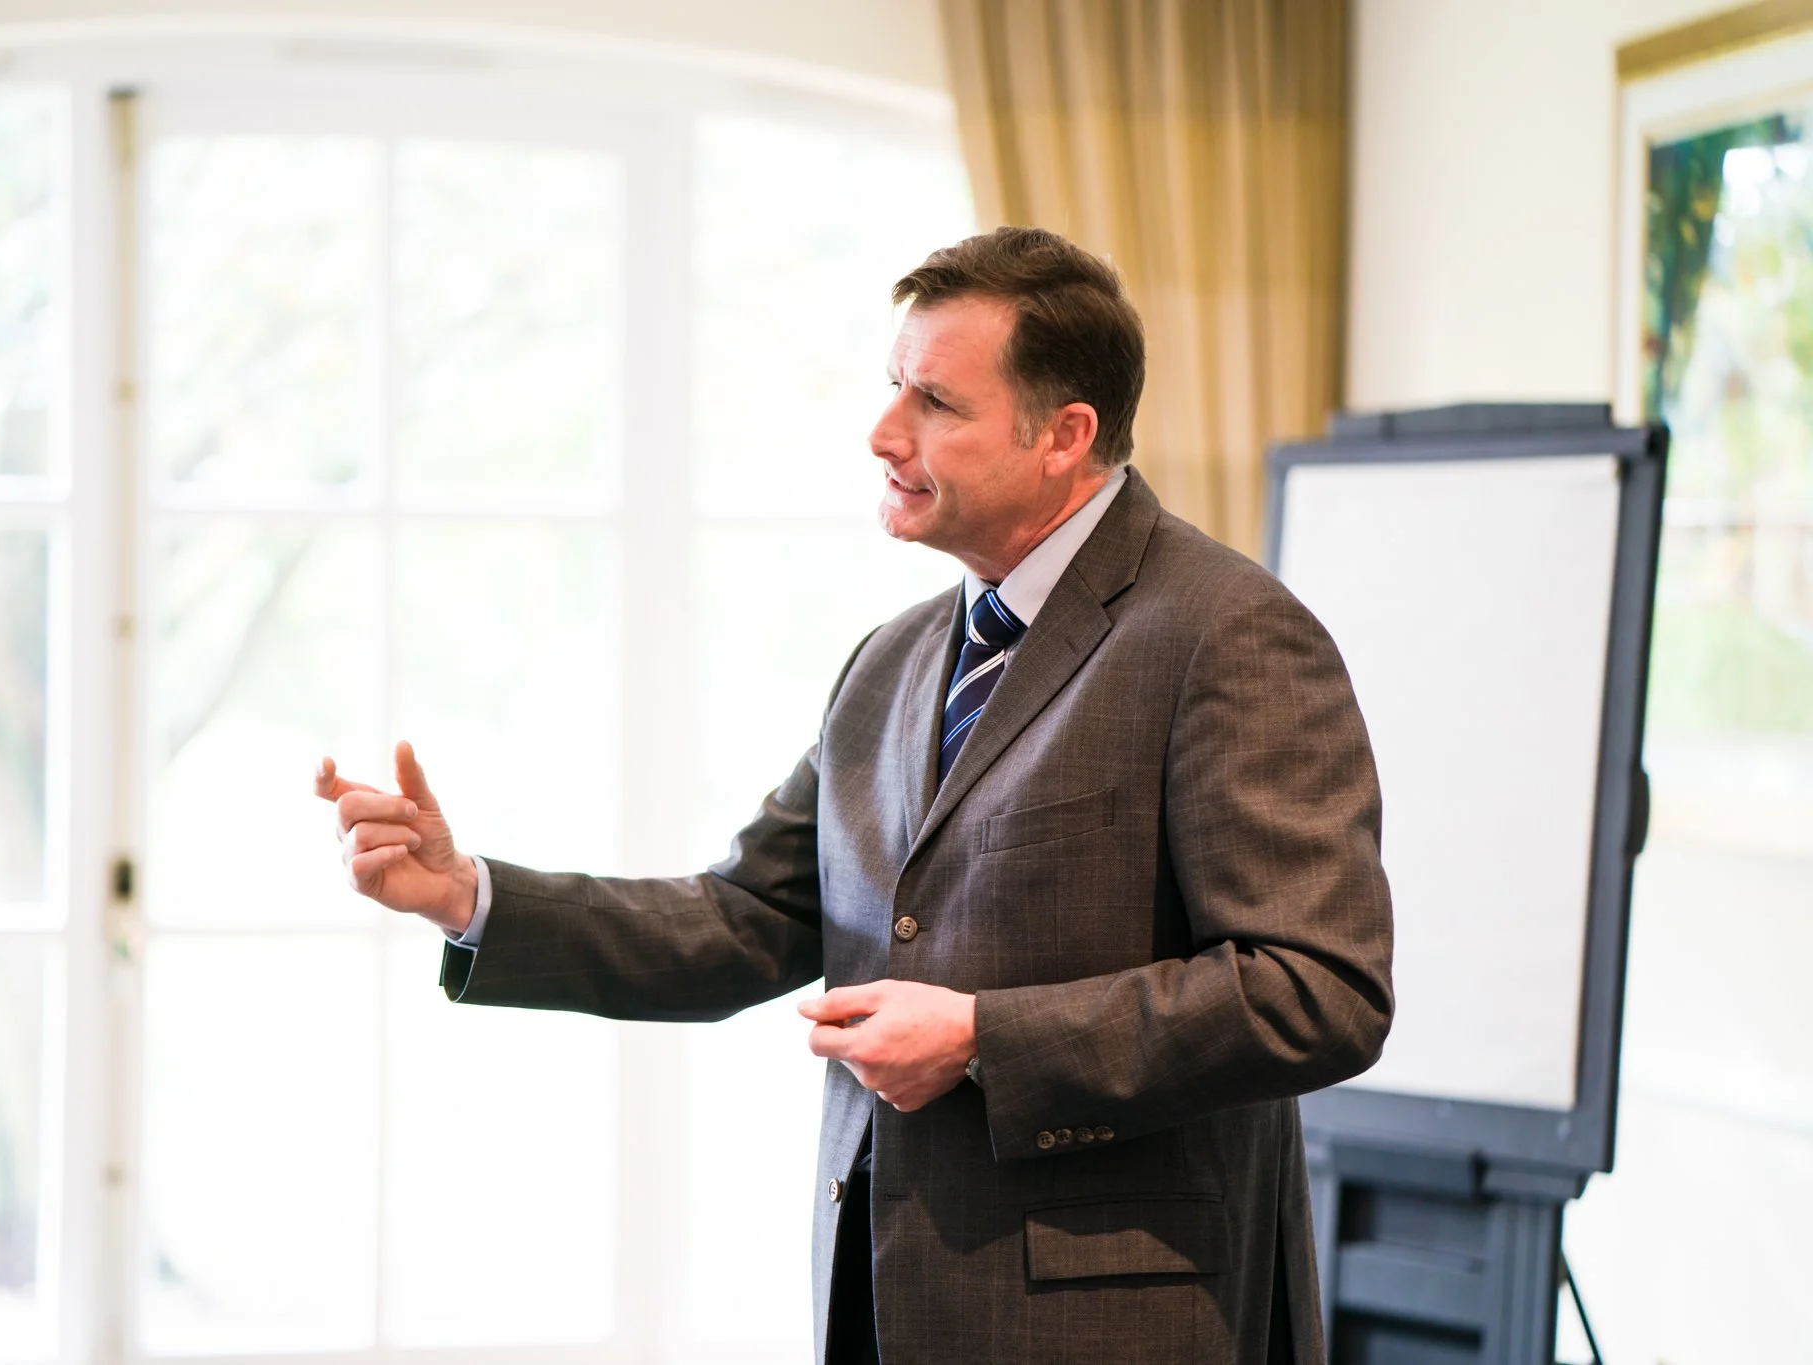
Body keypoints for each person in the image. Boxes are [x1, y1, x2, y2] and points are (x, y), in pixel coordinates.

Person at [315, 226, 1393, 1364]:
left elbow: (1314, 991)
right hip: (882, 1306)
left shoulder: (1227, 632)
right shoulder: (892, 658)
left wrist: (984, 1038)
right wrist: (470, 897)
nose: (884, 434)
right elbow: (744, 920)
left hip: (1120, 1324)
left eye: (935, 401)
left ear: (1063, 437)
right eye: (893, 388)